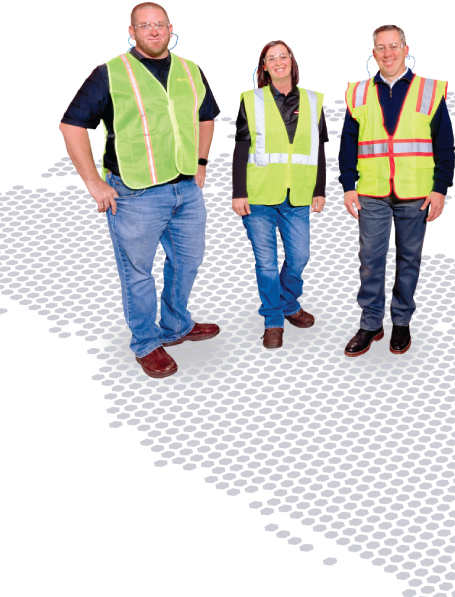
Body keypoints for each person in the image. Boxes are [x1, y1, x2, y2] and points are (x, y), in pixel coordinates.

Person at [59, 2, 220, 379]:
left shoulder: (190, 70)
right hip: (134, 193)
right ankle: (147, 342)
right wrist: (93, 183)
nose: (153, 31)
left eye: (159, 24)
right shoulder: (110, 73)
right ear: (131, 31)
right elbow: (72, 125)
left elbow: (206, 116)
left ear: (170, 28)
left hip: (186, 188)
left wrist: (200, 162)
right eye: (144, 25)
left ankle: (176, 325)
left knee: (188, 262)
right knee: (138, 273)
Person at [339, 24, 455, 357]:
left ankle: (401, 322)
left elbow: (444, 144)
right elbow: (348, 142)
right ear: (373, 53)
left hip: (416, 191)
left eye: (393, 46)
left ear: (406, 49)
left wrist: (440, 188)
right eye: (381, 47)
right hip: (372, 190)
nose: (387, 53)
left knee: (409, 260)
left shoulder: (429, 90)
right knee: (370, 261)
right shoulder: (359, 93)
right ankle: (370, 323)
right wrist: (348, 185)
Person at [231, 41, 328, 349]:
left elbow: (318, 148)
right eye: (270, 58)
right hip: (259, 193)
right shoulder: (251, 100)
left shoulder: (313, 100)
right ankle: (273, 319)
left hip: (298, 193)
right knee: (266, 263)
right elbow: (241, 147)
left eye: (282, 56)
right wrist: (238, 192)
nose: (278, 61)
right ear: (264, 66)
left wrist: (319, 189)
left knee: (300, 256)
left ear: (291, 61)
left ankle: (288, 302)